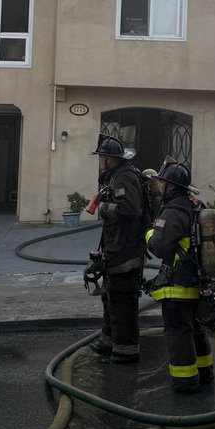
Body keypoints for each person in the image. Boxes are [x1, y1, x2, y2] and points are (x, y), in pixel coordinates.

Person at [146, 161, 214, 393]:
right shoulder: (194, 204)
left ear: (170, 186)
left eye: (162, 181)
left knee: (178, 332)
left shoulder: (174, 209)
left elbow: (161, 246)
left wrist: (149, 233)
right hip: (197, 280)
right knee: (195, 329)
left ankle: (185, 382)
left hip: (178, 283)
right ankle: (204, 373)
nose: (159, 185)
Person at [88, 135, 147, 364]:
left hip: (125, 251)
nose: (99, 161)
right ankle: (108, 343)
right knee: (110, 298)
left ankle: (126, 352)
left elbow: (129, 209)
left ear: (108, 159)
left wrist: (104, 208)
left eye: (101, 157)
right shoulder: (116, 176)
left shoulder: (124, 177)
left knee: (123, 303)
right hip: (115, 248)